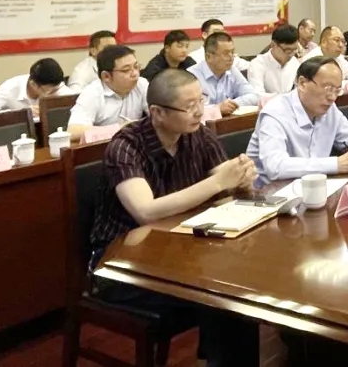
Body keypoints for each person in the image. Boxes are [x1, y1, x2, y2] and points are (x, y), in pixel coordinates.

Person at [88, 69, 259, 366]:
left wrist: (241, 177)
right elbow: (145, 211)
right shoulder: (125, 146)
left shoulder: (198, 134)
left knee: (237, 288)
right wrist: (219, 182)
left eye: (201, 101)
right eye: (189, 106)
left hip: (178, 250)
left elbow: (225, 182)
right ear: (157, 112)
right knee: (222, 297)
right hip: (122, 265)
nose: (199, 112)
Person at [246, 57, 348, 183]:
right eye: (328, 88)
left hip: (313, 187)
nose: (332, 97)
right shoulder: (275, 113)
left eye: (337, 90)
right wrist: (336, 164)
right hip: (269, 194)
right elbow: (275, 167)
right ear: (302, 83)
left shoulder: (329, 109)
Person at [67, 45, 149, 139]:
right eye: (126, 70)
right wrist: (120, 129)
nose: (135, 74)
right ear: (106, 76)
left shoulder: (141, 84)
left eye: (136, 67)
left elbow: (157, 115)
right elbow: (73, 131)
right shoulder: (92, 92)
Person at [188, 32, 258, 116]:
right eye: (226, 53)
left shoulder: (232, 70)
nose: (231, 57)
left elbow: (254, 96)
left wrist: (232, 104)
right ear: (208, 57)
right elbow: (190, 110)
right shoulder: (191, 76)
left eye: (232, 52)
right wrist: (217, 109)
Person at [0, 58, 77, 115]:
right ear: (33, 84)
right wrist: (20, 114)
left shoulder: (56, 85)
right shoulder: (11, 87)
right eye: (49, 92)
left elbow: (76, 103)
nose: (53, 93)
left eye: (55, 90)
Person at [247, 24, 301, 95]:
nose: (291, 55)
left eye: (294, 49)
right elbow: (257, 94)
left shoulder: (294, 63)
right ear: (273, 45)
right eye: (287, 50)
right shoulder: (258, 64)